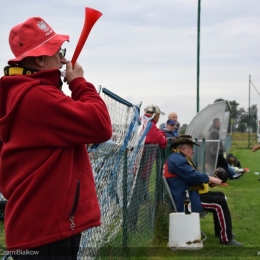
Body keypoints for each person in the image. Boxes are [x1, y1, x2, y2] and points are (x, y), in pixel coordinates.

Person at [0, 17, 112, 259]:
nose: (63, 60)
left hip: (34, 226)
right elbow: (101, 125)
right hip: (49, 230)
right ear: (40, 59)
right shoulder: (39, 98)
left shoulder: (20, 94)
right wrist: (79, 83)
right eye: (58, 52)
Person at [163, 136, 243, 246]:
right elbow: (191, 176)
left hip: (189, 193)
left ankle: (220, 232)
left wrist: (208, 181)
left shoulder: (178, 157)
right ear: (182, 148)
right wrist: (209, 178)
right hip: (186, 200)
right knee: (219, 202)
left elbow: (191, 177)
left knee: (220, 195)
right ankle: (226, 238)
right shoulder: (177, 159)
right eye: (191, 148)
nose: (193, 151)